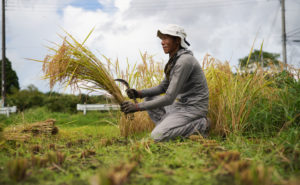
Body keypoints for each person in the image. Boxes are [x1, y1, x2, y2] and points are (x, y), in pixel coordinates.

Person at [121, 24, 210, 142]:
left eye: (166, 38)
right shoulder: (174, 60)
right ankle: (167, 127)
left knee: (156, 136)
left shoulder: (184, 61)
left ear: (177, 41)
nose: (162, 42)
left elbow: (169, 98)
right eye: (162, 39)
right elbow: (163, 87)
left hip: (193, 108)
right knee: (149, 97)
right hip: (180, 106)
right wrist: (138, 93)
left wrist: (137, 107)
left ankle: (201, 125)